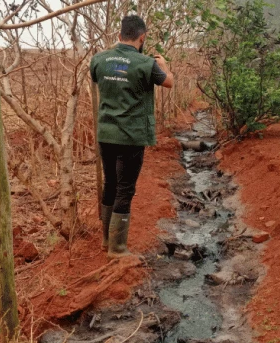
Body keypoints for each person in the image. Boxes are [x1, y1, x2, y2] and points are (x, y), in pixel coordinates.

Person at [90, 15, 174, 259]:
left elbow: (99, 79)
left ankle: (107, 241)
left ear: (119, 36)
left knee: (110, 184)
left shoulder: (99, 59)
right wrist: (164, 65)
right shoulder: (146, 64)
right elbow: (169, 83)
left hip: (106, 133)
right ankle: (118, 249)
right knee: (125, 188)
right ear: (142, 37)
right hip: (132, 136)